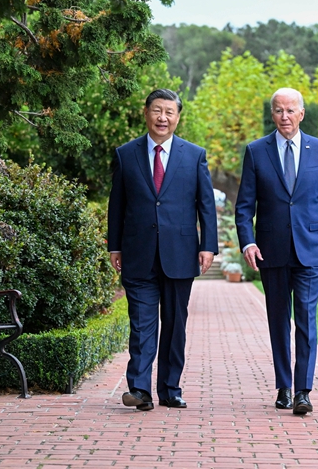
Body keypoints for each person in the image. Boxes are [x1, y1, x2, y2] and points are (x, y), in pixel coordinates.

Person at [235, 87, 318, 415]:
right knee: (278, 321)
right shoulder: (256, 151)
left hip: (310, 250)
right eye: (278, 110)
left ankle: (303, 391)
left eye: (290, 110)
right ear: (272, 114)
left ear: (301, 114)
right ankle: (284, 387)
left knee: (306, 320)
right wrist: (248, 241)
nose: (284, 116)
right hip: (271, 251)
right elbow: (244, 206)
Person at [107, 89, 218, 411]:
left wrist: (208, 246)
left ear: (178, 117)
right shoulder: (125, 154)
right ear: (146, 113)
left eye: (169, 112)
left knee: (174, 324)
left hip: (180, 253)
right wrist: (115, 245)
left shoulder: (194, 155)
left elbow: (206, 205)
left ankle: (170, 389)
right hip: (137, 253)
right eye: (157, 110)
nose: (162, 118)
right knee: (142, 325)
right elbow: (117, 205)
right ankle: (139, 389)